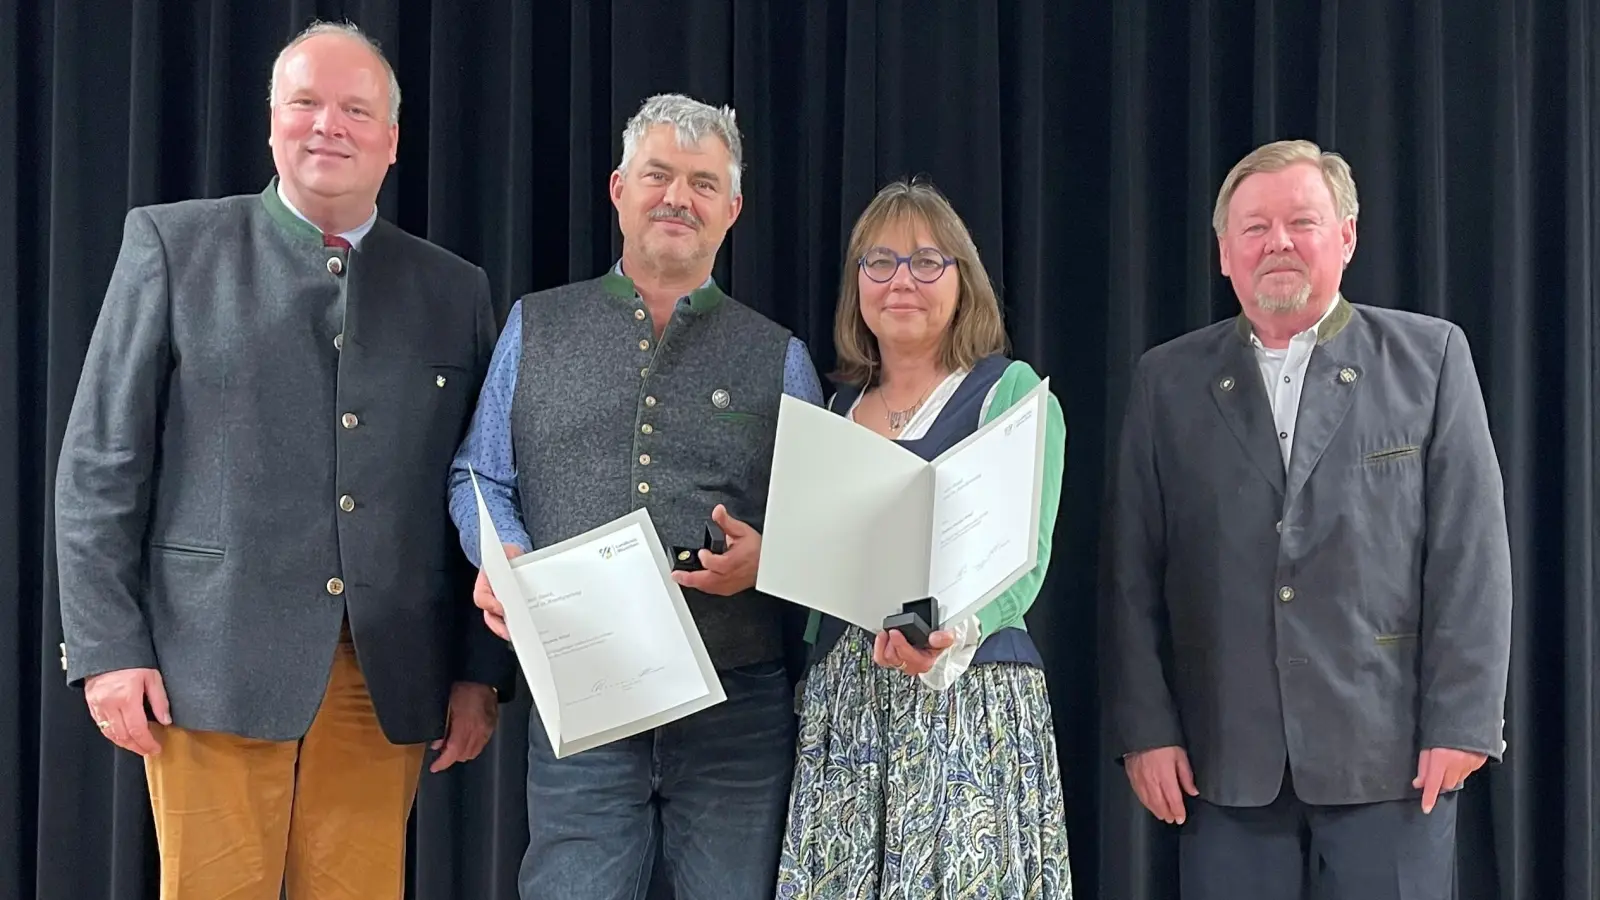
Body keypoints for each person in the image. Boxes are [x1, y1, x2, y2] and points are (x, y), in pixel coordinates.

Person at [54, 21, 512, 900]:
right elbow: (101, 464)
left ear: (391, 140)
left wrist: (477, 672)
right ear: (272, 123)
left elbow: (478, 481)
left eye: (355, 111)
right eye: (306, 103)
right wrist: (107, 648)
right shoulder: (174, 246)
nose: (328, 126)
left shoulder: (454, 289)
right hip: (209, 663)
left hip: (387, 674)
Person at [1106, 139, 1513, 900]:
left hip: (1392, 757)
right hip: (1223, 761)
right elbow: (1132, 570)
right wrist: (1146, 729)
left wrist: (1463, 721)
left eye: (1302, 221)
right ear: (1224, 253)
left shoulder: (1430, 360)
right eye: (1255, 228)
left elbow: (1472, 556)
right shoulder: (1167, 381)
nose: (1278, 243)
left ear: (1346, 237)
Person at [448, 92, 826, 900]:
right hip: (582, 694)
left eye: (702, 182)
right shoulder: (535, 326)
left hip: (736, 708)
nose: (677, 198)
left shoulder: (780, 355)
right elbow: (479, 475)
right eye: (658, 175)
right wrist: (501, 553)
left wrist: (770, 559)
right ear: (619, 189)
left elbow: (823, 530)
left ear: (732, 210)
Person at [776, 179, 1073, 899]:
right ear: (858, 285)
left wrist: (949, 637)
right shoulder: (836, 410)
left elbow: (1025, 561)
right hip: (850, 706)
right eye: (879, 262)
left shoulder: (1009, 393)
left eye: (926, 261)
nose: (901, 280)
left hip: (968, 696)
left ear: (962, 281)